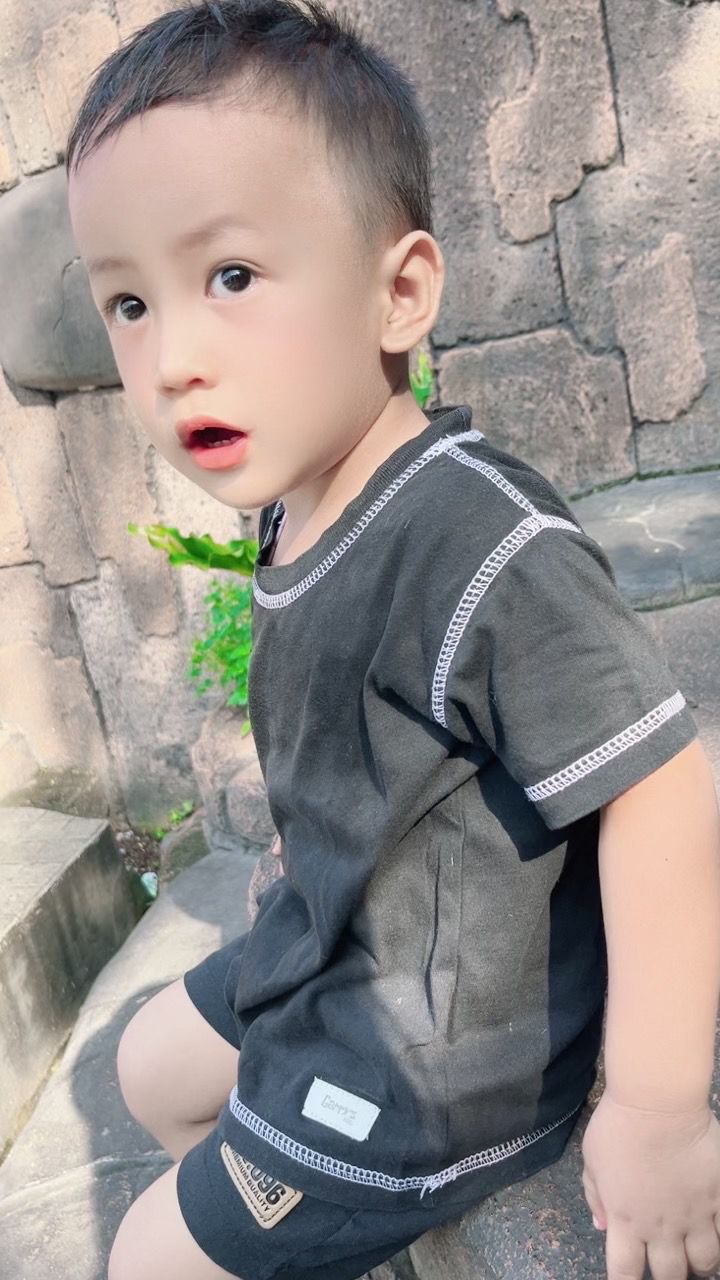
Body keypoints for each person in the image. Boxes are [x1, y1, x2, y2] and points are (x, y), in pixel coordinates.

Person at [64, 2, 720, 1278]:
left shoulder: (482, 541)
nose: (172, 356)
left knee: (148, 1252)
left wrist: (657, 1110)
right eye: (128, 303)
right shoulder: (302, 502)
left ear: (400, 292)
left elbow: (660, 790)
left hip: (438, 1049)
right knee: (149, 1065)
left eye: (230, 276)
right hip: (346, 935)